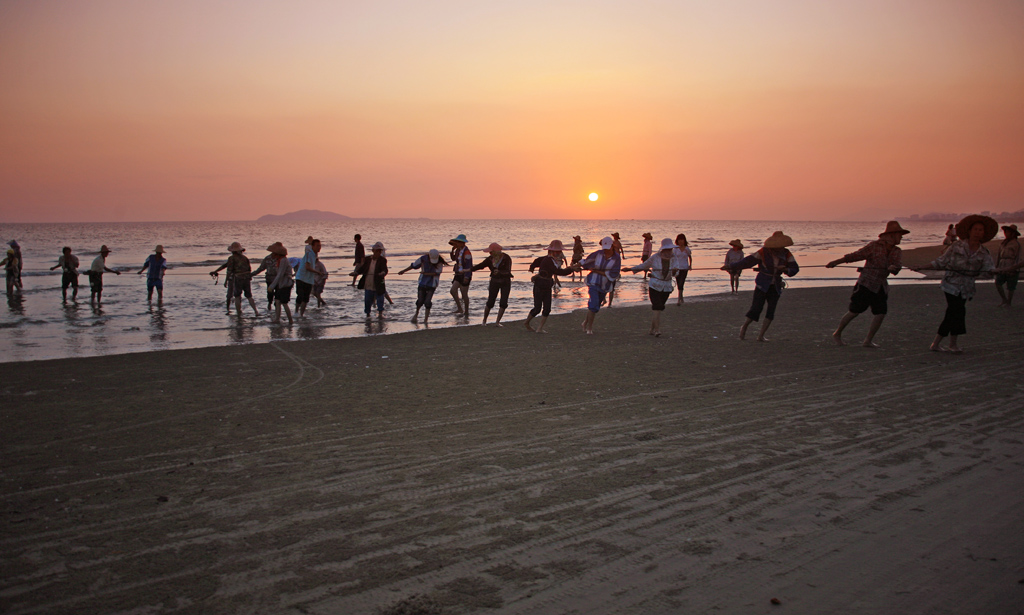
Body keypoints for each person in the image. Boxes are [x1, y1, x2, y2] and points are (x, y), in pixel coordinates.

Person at [916, 215, 996, 353]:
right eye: (975, 229)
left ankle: (938, 343)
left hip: (967, 286)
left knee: (954, 312)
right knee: (957, 310)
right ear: (969, 231)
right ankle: (950, 344)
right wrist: (923, 266)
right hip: (951, 284)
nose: (978, 232)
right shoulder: (956, 246)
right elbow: (941, 261)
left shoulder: (984, 252)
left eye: (981, 230)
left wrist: (998, 271)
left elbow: (988, 270)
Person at [826, 221, 909, 348]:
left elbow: (897, 267)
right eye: (899, 235)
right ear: (891, 235)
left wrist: (894, 268)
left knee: (880, 313)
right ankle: (837, 333)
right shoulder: (874, 246)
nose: (901, 238)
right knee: (854, 311)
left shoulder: (897, 251)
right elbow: (855, 256)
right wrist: (836, 262)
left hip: (881, 285)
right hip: (866, 283)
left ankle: (868, 340)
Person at [725, 231, 799, 342]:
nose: (779, 248)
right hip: (762, 283)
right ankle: (744, 327)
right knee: (756, 308)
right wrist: (730, 266)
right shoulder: (763, 252)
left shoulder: (786, 253)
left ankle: (761, 335)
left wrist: (785, 269)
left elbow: (795, 269)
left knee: (771, 310)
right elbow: (748, 262)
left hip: (776, 285)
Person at [622, 238, 677, 336]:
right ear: (663, 249)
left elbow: (676, 273)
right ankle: (657, 330)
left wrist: (674, 271)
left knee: (659, 309)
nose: (669, 251)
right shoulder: (655, 257)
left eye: (670, 249)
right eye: (667, 249)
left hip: (667, 286)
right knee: (656, 307)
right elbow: (644, 265)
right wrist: (630, 269)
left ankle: (652, 329)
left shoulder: (674, 258)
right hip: (655, 285)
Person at [525, 240, 578, 333]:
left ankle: (540, 328)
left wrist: (532, 267)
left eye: (559, 251)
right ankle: (527, 323)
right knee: (537, 308)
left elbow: (537, 261)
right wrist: (571, 269)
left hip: (547, 285)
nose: (558, 253)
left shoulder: (552, 260)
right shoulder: (548, 260)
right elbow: (558, 271)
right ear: (551, 251)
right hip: (539, 285)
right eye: (557, 251)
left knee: (547, 309)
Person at [580, 236, 621, 334]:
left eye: (608, 248)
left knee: (595, 306)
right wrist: (576, 266)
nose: (606, 251)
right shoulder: (598, 254)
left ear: (612, 247)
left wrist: (598, 271)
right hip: (593, 282)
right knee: (593, 304)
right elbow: (586, 262)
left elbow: (614, 273)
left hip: (604, 284)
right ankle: (589, 328)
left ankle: (585, 322)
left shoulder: (616, 258)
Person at [398, 249, 448, 323]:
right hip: (422, 283)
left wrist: (425, 273)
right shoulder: (423, 259)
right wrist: (403, 271)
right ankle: (416, 314)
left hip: (432, 284)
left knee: (427, 302)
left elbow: (437, 273)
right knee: (420, 301)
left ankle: (426, 319)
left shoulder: (439, 261)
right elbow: (414, 266)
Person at [210, 242, 259, 317]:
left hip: (238, 278)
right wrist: (216, 271)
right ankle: (256, 311)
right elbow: (249, 269)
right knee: (249, 296)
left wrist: (226, 281)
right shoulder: (245, 258)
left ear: (232, 251)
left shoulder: (232, 258)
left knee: (237, 295)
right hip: (246, 278)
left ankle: (239, 312)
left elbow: (229, 270)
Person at [472, 242, 514, 326]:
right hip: (494, 281)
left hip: (505, 282)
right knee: (490, 301)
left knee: (503, 302)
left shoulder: (506, 258)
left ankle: (497, 322)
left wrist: (499, 272)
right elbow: (480, 266)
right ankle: (484, 321)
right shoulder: (490, 259)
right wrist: (469, 269)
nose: (490, 253)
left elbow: (508, 271)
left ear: (496, 251)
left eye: (491, 252)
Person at [355, 241, 388, 317]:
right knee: (367, 300)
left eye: (380, 251)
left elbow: (385, 269)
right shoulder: (367, 259)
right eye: (377, 251)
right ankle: (368, 314)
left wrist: (382, 273)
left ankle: (380, 314)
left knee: (380, 299)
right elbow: (362, 269)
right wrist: (356, 273)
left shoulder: (382, 260)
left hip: (378, 283)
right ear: (373, 251)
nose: (379, 252)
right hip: (368, 283)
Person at [266, 242, 294, 324]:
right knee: (277, 301)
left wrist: (272, 286)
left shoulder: (283, 261)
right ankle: (277, 319)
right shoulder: (280, 260)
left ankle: (290, 321)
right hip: (281, 284)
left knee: (284, 303)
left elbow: (280, 274)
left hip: (285, 285)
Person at [292, 236, 320, 318]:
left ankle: (301, 314)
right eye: (317, 246)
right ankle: (296, 311)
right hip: (301, 278)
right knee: (300, 296)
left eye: (320, 246)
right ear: (313, 246)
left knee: (306, 298)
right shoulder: (309, 253)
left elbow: (313, 265)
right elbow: (307, 267)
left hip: (309, 279)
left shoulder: (315, 255)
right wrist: (317, 272)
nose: (319, 247)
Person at [994, 224, 1021, 307]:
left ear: (1013, 233)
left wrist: (1014, 268)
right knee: (998, 283)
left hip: (1011, 265)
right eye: (1005, 232)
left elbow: (1017, 257)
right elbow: (999, 256)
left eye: (1008, 232)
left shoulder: (1016, 244)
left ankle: (1009, 302)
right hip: (1002, 265)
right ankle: (1004, 300)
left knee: (1011, 286)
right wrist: (997, 266)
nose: (1006, 233)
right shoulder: (1003, 243)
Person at [448, 234, 472, 314]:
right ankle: (460, 308)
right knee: (453, 291)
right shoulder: (458, 250)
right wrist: (452, 251)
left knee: (464, 294)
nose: (457, 244)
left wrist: (467, 276)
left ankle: (466, 311)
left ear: (462, 243)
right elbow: (453, 258)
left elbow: (469, 265)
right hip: (458, 273)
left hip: (464, 274)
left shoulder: (467, 252)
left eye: (458, 242)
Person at [672, 233, 692, 305]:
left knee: (682, 282)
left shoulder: (687, 249)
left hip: (685, 268)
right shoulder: (675, 249)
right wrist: (672, 267)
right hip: (677, 268)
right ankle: (681, 297)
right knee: (678, 283)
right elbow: (673, 259)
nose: (681, 241)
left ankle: (679, 299)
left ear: (684, 240)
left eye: (682, 240)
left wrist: (690, 265)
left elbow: (690, 257)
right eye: (679, 240)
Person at [607, 232, 625, 306]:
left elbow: (621, 249)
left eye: (615, 236)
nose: (614, 237)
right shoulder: (613, 243)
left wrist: (623, 255)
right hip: (613, 256)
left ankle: (617, 274)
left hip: (617, 256)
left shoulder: (618, 243)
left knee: (616, 267)